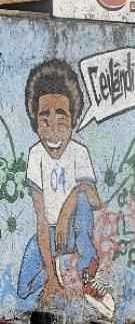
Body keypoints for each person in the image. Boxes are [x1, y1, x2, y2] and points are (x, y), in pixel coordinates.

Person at [18, 59, 114, 318]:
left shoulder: (79, 153)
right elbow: (40, 219)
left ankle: (86, 275)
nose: (52, 126)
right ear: (35, 121)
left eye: (61, 116)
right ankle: (60, 279)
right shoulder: (35, 155)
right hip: (48, 235)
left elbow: (96, 201)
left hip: (75, 232)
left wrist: (67, 207)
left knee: (82, 196)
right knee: (24, 289)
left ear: (73, 119)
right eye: (43, 118)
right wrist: (51, 277)